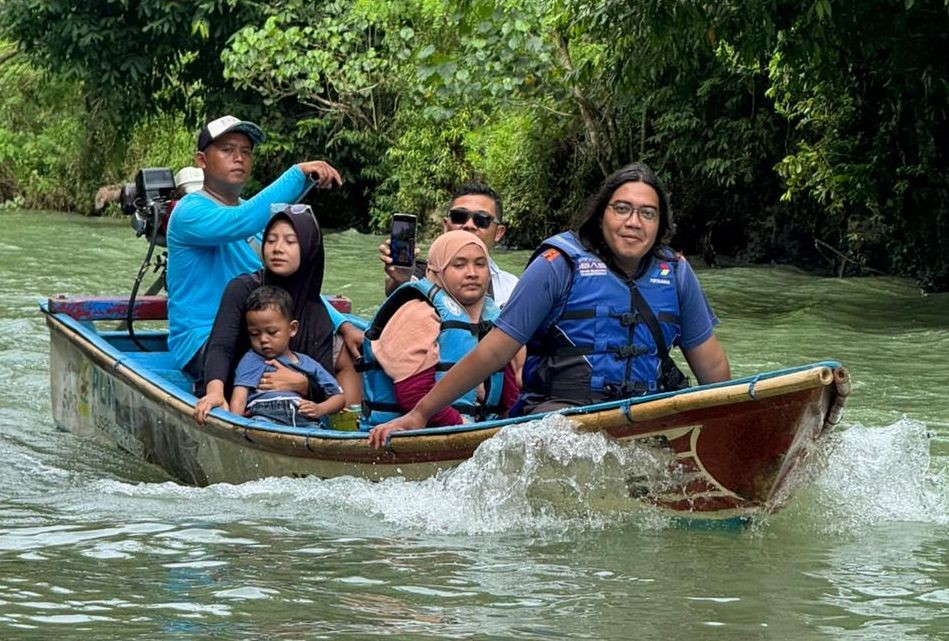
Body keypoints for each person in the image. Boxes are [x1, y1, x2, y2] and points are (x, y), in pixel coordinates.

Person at [368, 162, 731, 447]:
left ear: (660, 222)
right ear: (601, 213)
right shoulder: (557, 264)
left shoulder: (677, 273)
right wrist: (420, 413)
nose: (633, 223)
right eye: (622, 209)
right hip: (561, 418)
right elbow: (493, 353)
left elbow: (711, 364)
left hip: (645, 414)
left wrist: (729, 426)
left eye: (647, 213)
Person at [166, 114, 343, 388]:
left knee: (356, 341)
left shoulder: (256, 215)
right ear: (201, 160)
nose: (239, 158)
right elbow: (240, 221)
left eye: (246, 152)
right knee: (273, 365)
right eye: (227, 150)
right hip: (204, 340)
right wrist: (299, 174)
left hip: (263, 329)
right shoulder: (189, 211)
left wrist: (341, 324)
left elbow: (292, 284)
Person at [193, 204, 363, 425]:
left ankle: (350, 425)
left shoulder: (316, 312)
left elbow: (322, 383)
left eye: (290, 242)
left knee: (343, 352)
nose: (277, 248)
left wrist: (301, 384)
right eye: (271, 240)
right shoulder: (241, 289)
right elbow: (221, 346)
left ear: (309, 249)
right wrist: (215, 391)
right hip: (236, 395)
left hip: (293, 406)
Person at [361, 230, 519, 431]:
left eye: (480, 264)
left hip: (473, 425)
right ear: (437, 270)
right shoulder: (419, 312)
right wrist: (462, 427)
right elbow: (412, 393)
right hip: (416, 429)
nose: (472, 273)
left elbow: (509, 395)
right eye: (459, 265)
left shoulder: (490, 315)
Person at [379, 182, 519, 306]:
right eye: (459, 217)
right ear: (446, 226)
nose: (469, 225)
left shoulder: (511, 288)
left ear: (499, 233)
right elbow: (398, 292)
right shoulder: (421, 273)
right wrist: (400, 280)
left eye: (481, 220)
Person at [230, 286, 345, 426]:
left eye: (272, 332)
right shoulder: (252, 360)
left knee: (319, 430)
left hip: (303, 420)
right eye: (254, 334)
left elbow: (338, 397)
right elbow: (239, 400)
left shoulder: (308, 363)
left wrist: (320, 409)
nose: (263, 339)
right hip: (264, 418)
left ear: (292, 329)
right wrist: (236, 424)